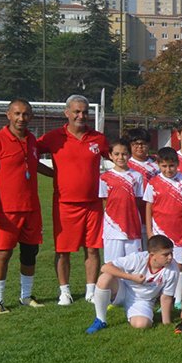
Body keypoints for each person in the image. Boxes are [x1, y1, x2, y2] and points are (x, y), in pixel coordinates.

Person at [38, 95, 109, 305]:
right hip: (64, 204)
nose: (81, 116)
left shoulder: (99, 139)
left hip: (94, 204)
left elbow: (117, 157)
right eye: (77, 111)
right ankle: (64, 291)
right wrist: (53, 174)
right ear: (66, 113)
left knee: (93, 248)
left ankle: (90, 290)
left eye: (85, 112)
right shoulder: (53, 137)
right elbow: (28, 154)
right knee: (63, 250)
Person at [0, 98, 48, 313]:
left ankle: (26, 296)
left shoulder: (31, 139)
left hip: (31, 209)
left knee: (30, 253)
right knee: (3, 254)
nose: (21, 118)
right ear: (8, 115)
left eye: (26, 114)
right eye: (17, 114)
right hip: (6, 211)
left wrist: (59, 176)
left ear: (31, 116)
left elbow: (34, 164)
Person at [85, 235, 179, 333]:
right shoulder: (138, 258)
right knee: (105, 278)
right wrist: (131, 277)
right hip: (123, 290)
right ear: (152, 255)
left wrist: (166, 323)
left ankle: (133, 314)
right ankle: (100, 320)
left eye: (171, 253)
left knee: (142, 325)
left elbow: (166, 297)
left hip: (143, 300)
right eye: (166, 254)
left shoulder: (173, 269)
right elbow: (105, 267)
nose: (170, 257)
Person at [144, 148, 182, 304]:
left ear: (178, 164)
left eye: (171, 166)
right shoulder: (153, 182)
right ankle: (159, 297)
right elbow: (148, 207)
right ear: (159, 165)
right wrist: (149, 231)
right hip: (160, 232)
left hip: (181, 232)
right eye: (164, 166)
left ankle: (178, 299)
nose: (168, 169)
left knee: (179, 265)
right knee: (160, 265)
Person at [98, 138, 145, 263]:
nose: (120, 157)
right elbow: (105, 201)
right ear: (110, 155)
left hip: (132, 227)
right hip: (112, 229)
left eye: (124, 154)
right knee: (113, 265)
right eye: (117, 154)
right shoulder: (104, 177)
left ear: (129, 155)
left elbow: (139, 201)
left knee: (134, 265)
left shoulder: (137, 176)